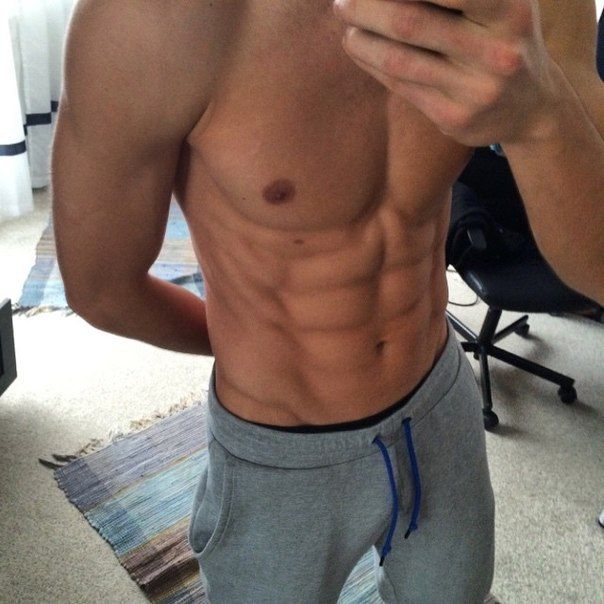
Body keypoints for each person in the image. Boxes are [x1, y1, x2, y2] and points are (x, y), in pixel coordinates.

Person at [51, 0, 604, 602]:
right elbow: (102, 289)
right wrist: (252, 344)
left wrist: (539, 119)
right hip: (278, 455)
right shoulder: (149, 19)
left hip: (442, 406)